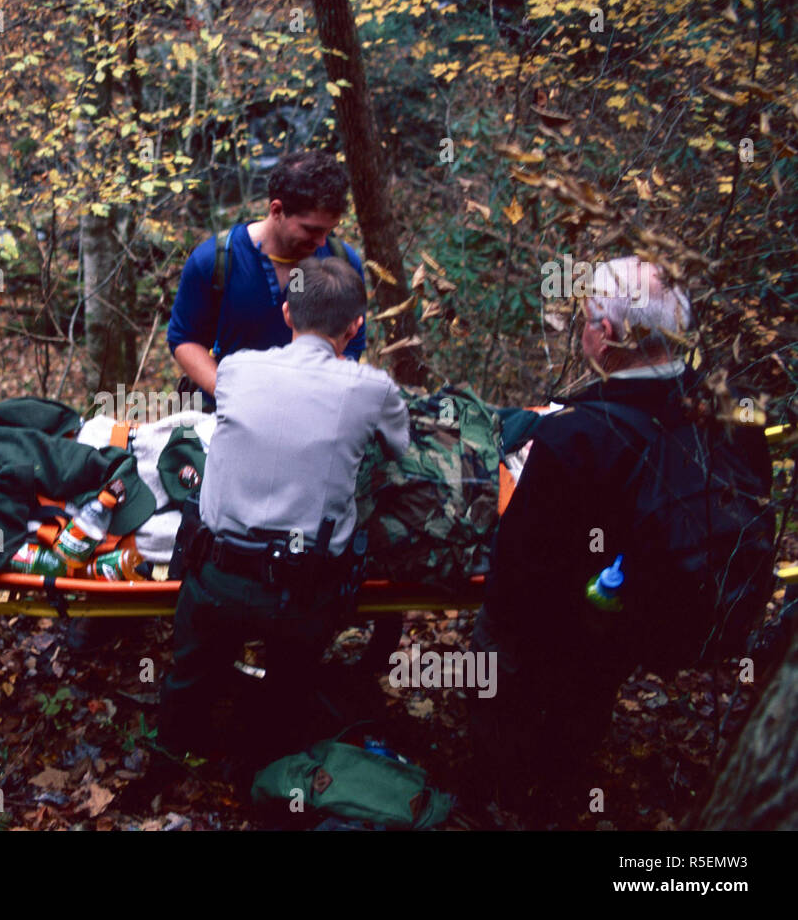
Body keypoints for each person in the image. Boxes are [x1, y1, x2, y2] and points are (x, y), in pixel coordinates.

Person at [468, 257, 773, 821]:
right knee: (590, 673)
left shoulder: (576, 436)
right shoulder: (731, 411)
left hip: (573, 622)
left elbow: (516, 576)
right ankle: (566, 774)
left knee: (499, 643)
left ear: (604, 336)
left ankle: (496, 786)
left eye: (586, 318)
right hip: (646, 614)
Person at [158, 256, 409, 775]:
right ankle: (265, 769)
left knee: (189, 677)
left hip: (214, 578)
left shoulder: (236, 369)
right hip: (302, 592)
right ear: (356, 326)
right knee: (288, 689)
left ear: (288, 312)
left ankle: (173, 756)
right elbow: (399, 446)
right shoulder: (372, 388)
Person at [167, 150, 369, 400]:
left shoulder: (341, 262)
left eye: (329, 230)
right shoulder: (215, 260)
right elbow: (184, 338)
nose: (321, 241)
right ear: (276, 210)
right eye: (311, 230)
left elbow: (354, 341)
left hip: (312, 410)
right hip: (231, 415)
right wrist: (228, 392)